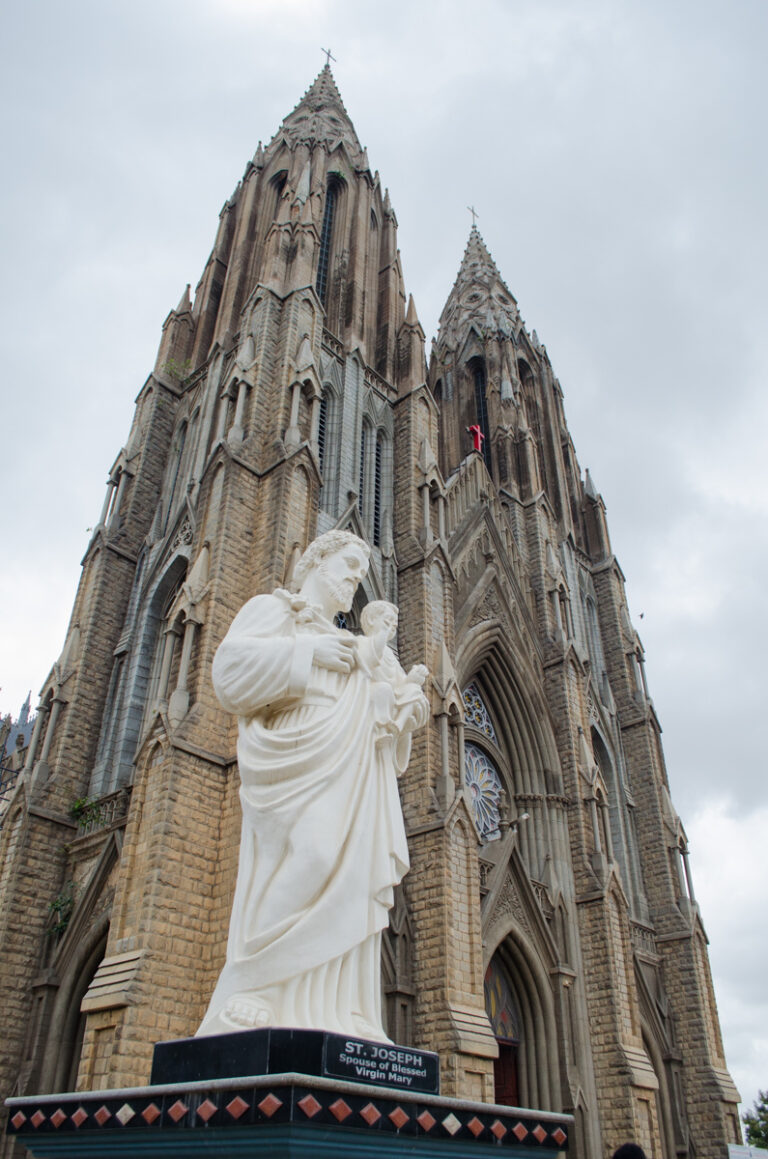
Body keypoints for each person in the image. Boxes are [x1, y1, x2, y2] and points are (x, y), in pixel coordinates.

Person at [197, 531, 428, 1043]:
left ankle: (343, 1008)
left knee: (354, 879)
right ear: (316, 562)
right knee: (316, 855)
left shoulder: (357, 643)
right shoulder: (276, 612)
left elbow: (379, 707)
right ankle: (254, 983)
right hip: (297, 760)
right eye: (347, 566)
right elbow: (230, 675)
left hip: (353, 766)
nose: (354, 580)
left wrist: (402, 710)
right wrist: (312, 653)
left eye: (360, 573)